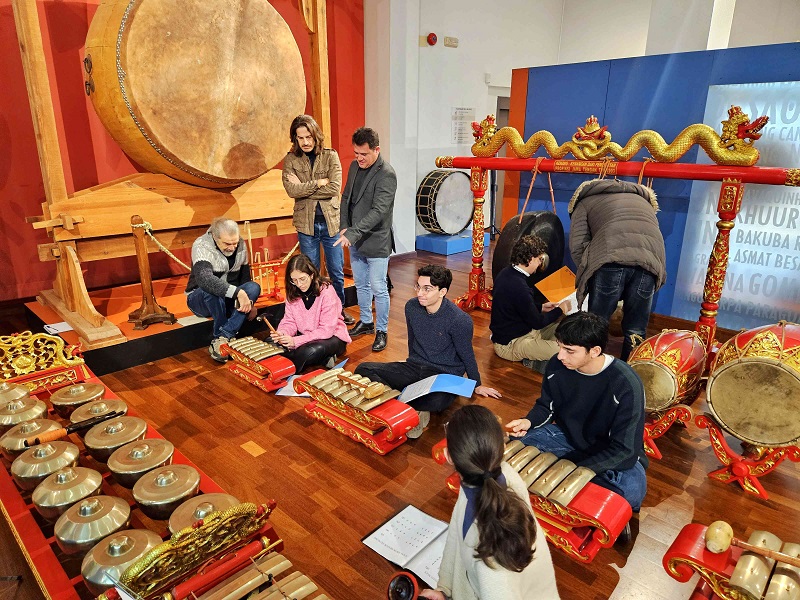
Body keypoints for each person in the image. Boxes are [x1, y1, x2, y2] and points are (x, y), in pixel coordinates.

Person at [506, 312, 648, 514]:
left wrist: (575, 469)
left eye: (569, 350)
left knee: (631, 491)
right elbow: (547, 406)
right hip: (565, 438)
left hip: (609, 450)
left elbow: (625, 451)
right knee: (513, 449)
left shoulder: (625, 383)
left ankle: (587, 500)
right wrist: (528, 422)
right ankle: (584, 500)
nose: (561, 355)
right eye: (560, 346)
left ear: (595, 351)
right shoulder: (557, 364)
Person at [419, 405, 560, 600]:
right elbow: (456, 535)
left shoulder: (491, 554)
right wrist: (445, 588)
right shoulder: (486, 478)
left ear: (450, 457)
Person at [355, 265, 501, 438]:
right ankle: (411, 407)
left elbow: (467, 354)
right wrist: (407, 367)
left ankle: (398, 402)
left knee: (437, 402)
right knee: (363, 369)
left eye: (427, 289)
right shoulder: (411, 307)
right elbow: (412, 340)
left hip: (444, 374)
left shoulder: (460, 320)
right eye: (418, 286)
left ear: (442, 291)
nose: (419, 293)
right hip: (417, 366)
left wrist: (476, 384)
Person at [568, 178, 666, 360]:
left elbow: (577, 244)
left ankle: (594, 369)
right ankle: (629, 373)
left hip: (611, 258)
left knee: (598, 322)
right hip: (650, 261)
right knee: (636, 328)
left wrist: (588, 271)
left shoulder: (585, 201)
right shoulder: (642, 200)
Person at [282, 115, 354, 326]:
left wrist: (305, 188)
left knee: (336, 272)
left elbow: (334, 188)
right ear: (295, 139)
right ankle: (314, 315)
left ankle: (338, 313)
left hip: (331, 222)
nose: (305, 142)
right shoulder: (291, 159)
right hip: (306, 224)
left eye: (308, 137)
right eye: (300, 137)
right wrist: (318, 183)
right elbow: (290, 190)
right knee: (309, 274)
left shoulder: (331, 156)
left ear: (316, 135)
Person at [334, 127, 396, 352]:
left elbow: (379, 211)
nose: (359, 158)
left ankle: (382, 330)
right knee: (361, 283)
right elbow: (346, 198)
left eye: (364, 154)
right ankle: (366, 322)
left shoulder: (387, 174)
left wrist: (353, 232)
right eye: (356, 153)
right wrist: (344, 227)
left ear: (376, 150)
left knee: (379, 287)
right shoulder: (353, 166)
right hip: (355, 237)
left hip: (376, 239)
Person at [490, 235, 571, 374]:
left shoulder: (508, 273)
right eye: (539, 259)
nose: (540, 263)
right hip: (511, 344)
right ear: (531, 259)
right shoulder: (518, 286)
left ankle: (538, 355)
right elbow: (538, 322)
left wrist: (541, 307)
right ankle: (533, 361)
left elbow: (516, 305)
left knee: (566, 329)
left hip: (524, 331)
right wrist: (560, 310)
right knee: (566, 351)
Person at [186, 218, 260, 362]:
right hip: (200, 298)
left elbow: (245, 278)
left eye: (235, 243)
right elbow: (205, 279)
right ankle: (221, 334)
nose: (232, 247)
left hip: (228, 298)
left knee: (253, 287)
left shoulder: (241, 243)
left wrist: (250, 303)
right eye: (227, 243)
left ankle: (223, 336)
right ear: (214, 236)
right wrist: (238, 293)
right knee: (211, 288)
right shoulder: (201, 245)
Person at [270, 254, 351, 372]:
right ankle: (319, 358)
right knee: (270, 341)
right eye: (294, 280)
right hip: (305, 336)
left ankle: (288, 366)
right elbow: (289, 321)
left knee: (309, 351)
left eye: (302, 279)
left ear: (312, 275)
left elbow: (326, 330)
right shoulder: (293, 292)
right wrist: (282, 333)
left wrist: (295, 341)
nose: (299, 284)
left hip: (332, 337)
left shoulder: (327, 291)